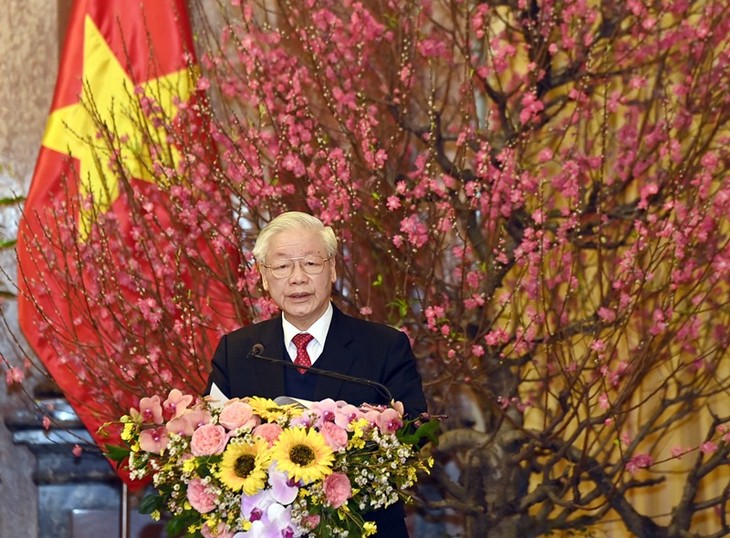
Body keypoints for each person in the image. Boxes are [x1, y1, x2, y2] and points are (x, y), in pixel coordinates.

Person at [205, 211, 427, 538]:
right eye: (281, 266)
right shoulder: (237, 351)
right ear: (264, 278)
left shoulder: (384, 347)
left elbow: (414, 436)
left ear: (333, 268)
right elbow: (211, 445)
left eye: (310, 263)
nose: (297, 278)